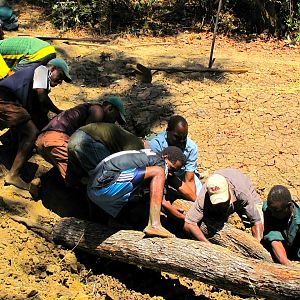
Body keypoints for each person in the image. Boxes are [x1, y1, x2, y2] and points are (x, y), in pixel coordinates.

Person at [0, 58, 71, 190]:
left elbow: (38, 105)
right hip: (5, 100)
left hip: (7, 100)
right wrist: (58, 111)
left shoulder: (37, 76)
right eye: (60, 76)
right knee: (31, 133)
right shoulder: (42, 70)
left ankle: (7, 150)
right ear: (52, 68)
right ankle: (13, 175)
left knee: (27, 122)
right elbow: (42, 97)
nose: (60, 82)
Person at [87, 146, 186, 238]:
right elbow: (161, 202)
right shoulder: (160, 163)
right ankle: (154, 225)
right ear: (165, 157)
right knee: (158, 172)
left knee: (143, 192)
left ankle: (117, 220)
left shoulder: (147, 155)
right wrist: (184, 218)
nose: (171, 174)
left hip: (92, 190)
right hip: (105, 185)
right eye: (171, 169)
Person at [35, 96, 126, 185]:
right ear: (110, 108)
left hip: (42, 141)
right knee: (78, 175)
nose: (114, 122)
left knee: (65, 166)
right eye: (116, 118)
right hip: (56, 139)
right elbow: (84, 140)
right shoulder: (98, 111)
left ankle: (40, 182)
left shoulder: (88, 108)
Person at [184, 168, 264, 242]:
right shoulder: (204, 195)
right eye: (217, 202)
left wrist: (257, 246)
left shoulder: (242, 193)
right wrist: (208, 245)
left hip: (246, 196)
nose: (221, 205)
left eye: (223, 201)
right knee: (216, 220)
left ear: (228, 189)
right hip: (227, 200)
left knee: (262, 227)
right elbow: (189, 224)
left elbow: (256, 222)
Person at [149, 115, 201, 217]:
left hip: (182, 175)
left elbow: (189, 179)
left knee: (199, 198)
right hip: (162, 175)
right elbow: (160, 174)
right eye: (177, 137)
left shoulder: (191, 147)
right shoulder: (157, 144)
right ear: (168, 131)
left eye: (184, 138)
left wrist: (194, 202)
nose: (181, 142)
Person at [67, 122, 145, 185]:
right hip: (87, 142)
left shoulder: (129, 138)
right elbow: (127, 167)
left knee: (83, 178)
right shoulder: (138, 146)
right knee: (106, 180)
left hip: (74, 139)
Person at [262, 185, 300, 265]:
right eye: (271, 210)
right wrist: (287, 265)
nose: (272, 214)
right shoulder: (269, 209)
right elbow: (274, 239)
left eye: (276, 211)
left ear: (289, 206)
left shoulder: (298, 220)